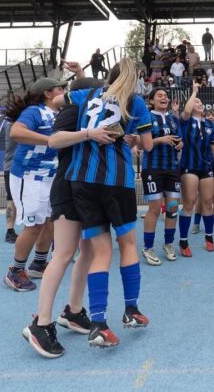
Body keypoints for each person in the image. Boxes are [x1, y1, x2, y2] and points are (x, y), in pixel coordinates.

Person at [56, 58, 154, 347]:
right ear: (135, 79)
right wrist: (132, 138)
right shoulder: (134, 101)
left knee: (99, 252)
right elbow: (147, 145)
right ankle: (131, 310)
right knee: (126, 244)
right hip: (116, 180)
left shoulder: (85, 94)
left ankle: (98, 323)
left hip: (81, 179)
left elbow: (60, 99)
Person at [23, 75, 107, 358]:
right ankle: (40, 323)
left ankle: (73, 310)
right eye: (99, 90)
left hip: (86, 186)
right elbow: (56, 141)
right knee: (64, 253)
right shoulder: (72, 110)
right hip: (68, 186)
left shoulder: (96, 113)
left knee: (87, 251)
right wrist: (88, 134)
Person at [2, 77, 64, 293]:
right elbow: (16, 132)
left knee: (49, 221)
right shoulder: (34, 111)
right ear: (48, 93)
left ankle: (38, 264)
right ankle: (15, 271)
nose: (63, 92)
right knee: (34, 225)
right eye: (60, 88)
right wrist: (48, 140)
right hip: (29, 176)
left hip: (50, 176)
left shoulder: (59, 113)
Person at [178, 82, 214, 256]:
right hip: (189, 166)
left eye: (201, 102)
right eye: (196, 102)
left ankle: (209, 238)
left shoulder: (210, 125)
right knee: (189, 203)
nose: (200, 103)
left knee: (208, 202)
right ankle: (183, 241)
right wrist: (194, 91)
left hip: (206, 167)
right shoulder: (186, 122)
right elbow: (187, 111)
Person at [140, 89, 182, 266]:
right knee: (155, 209)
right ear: (151, 101)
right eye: (160, 96)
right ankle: (148, 247)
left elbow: (180, 139)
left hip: (172, 168)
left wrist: (180, 144)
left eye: (165, 96)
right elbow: (145, 144)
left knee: (172, 208)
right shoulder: (147, 117)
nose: (164, 98)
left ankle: (168, 244)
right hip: (153, 168)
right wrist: (160, 140)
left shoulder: (173, 118)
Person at [3, 123, 19, 243]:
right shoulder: (13, 123)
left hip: (16, 166)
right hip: (14, 166)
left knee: (11, 199)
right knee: (11, 199)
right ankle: (9, 231)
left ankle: (10, 231)